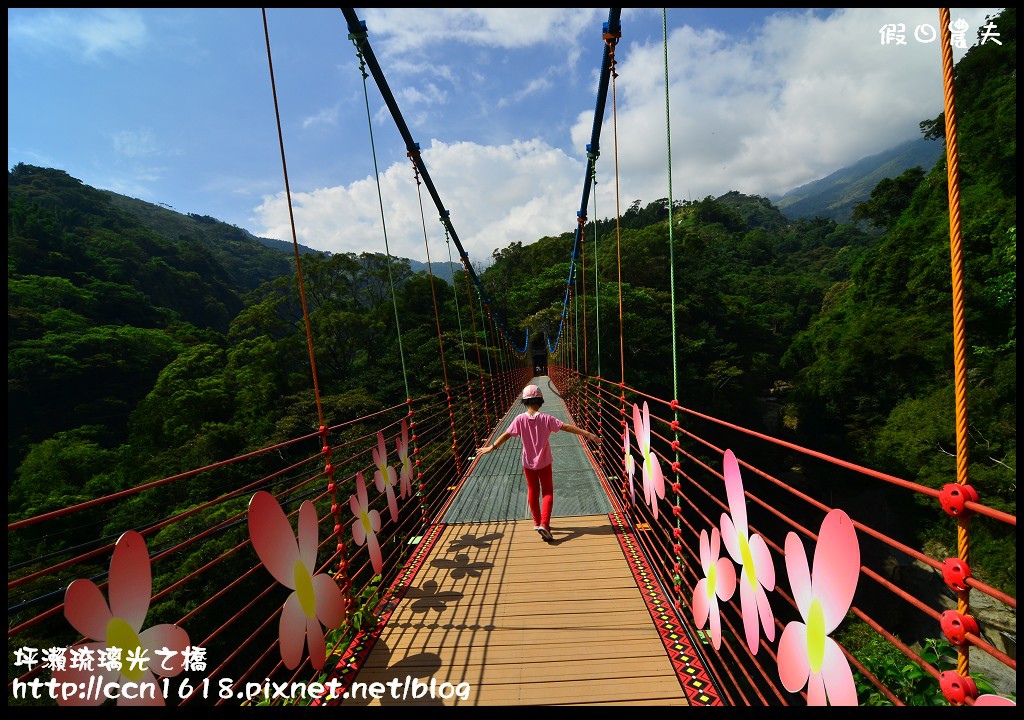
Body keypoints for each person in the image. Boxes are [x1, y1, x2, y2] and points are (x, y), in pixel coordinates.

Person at [476, 384, 598, 542]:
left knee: (532, 490)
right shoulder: (546, 419)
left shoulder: (519, 419)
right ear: (540, 400)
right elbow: (566, 427)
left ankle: (536, 522)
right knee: (547, 492)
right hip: (545, 462)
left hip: (528, 463)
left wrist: (492, 447)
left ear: (525, 402)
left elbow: (506, 435)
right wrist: (588, 434)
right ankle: (545, 524)